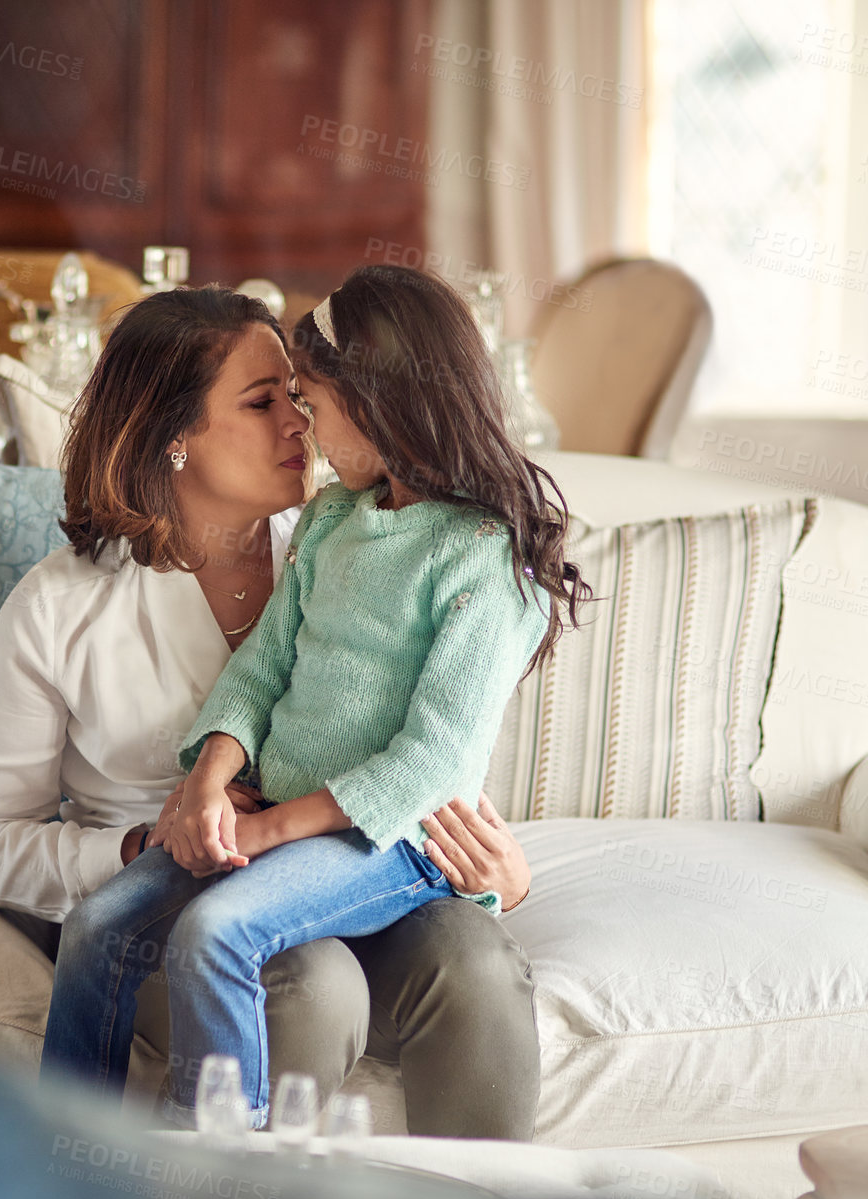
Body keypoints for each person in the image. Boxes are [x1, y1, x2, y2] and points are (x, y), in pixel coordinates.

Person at [38, 266, 588, 1128]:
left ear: (379, 406)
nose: (303, 422)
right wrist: (211, 781)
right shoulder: (334, 517)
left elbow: (432, 760)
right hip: (289, 821)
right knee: (97, 924)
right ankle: (57, 1151)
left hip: (389, 837)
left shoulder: (480, 556)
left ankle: (222, 1165)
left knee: (217, 932)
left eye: (313, 400)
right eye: (281, 400)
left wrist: (267, 829)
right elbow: (263, 666)